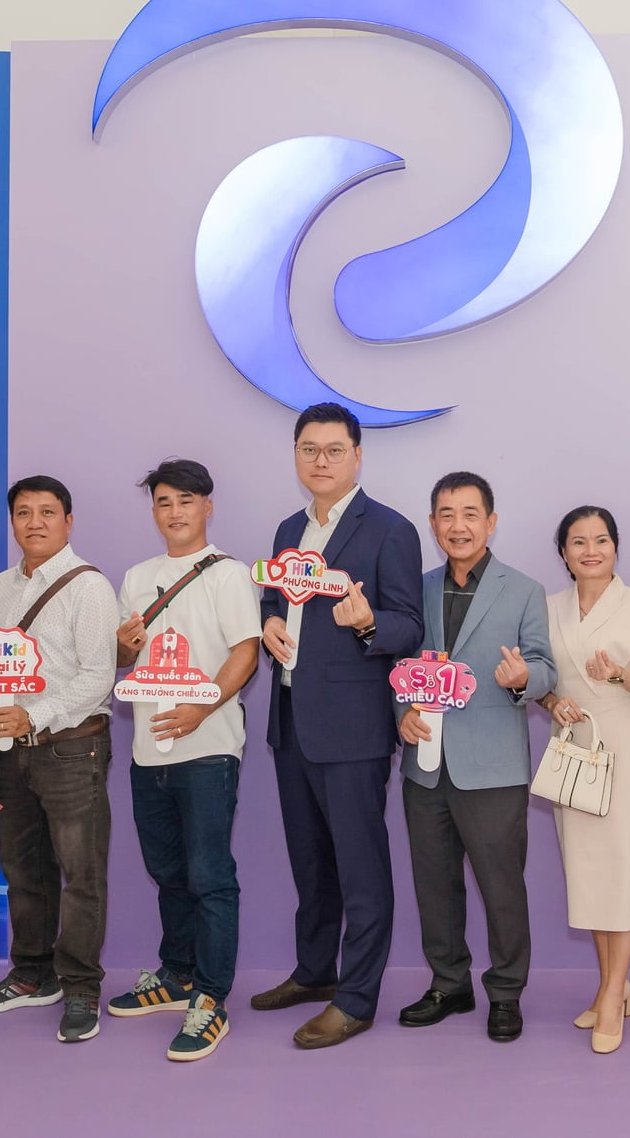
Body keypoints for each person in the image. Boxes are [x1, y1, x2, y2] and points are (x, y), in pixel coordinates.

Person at [250, 402, 423, 1049]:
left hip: (352, 728)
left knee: (360, 869)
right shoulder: (288, 529)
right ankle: (315, 971)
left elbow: (409, 623)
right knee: (311, 863)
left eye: (333, 450)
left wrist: (369, 623)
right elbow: (275, 601)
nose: (320, 461)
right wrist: (268, 620)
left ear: (357, 456)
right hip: (291, 720)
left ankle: (355, 999)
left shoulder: (390, 529)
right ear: (296, 455)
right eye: (309, 449)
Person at [106, 459, 262, 1063]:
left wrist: (202, 708)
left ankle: (211, 997)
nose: (175, 512)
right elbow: (126, 658)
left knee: (209, 874)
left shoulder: (228, 574)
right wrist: (122, 649)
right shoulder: (137, 576)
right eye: (164, 502)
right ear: (154, 511)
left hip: (208, 748)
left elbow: (245, 653)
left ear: (207, 507)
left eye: (186, 501)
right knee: (167, 869)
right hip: (149, 749)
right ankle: (177, 974)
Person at [394, 473, 557, 1044]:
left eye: (469, 514)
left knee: (501, 886)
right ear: (433, 524)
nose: (457, 526)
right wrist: (402, 713)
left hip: (493, 767)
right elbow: (398, 667)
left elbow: (545, 668)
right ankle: (449, 984)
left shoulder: (524, 590)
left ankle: (506, 992)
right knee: (434, 884)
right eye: (446, 514)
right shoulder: (415, 588)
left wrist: (524, 678)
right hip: (424, 765)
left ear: (491, 522)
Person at [0, 476, 117, 1045]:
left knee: (81, 874)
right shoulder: (3, 586)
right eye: (23, 512)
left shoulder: (90, 586)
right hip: (13, 753)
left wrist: (36, 714)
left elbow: (99, 676)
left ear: (68, 521)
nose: (34, 522)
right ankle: (32, 973)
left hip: (72, 747)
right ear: (12, 523)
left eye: (47, 512)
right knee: (23, 869)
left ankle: (80, 986)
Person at [540, 505, 630, 1054]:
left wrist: (618, 674)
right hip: (572, 745)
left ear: (615, 547)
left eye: (601, 540)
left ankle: (613, 994)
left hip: (622, 744)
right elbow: (541, 678)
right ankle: (612, 983)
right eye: (578, 542)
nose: (590, 551)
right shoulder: (547, 608)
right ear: (563, 553)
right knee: (589, 871)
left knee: (623, 868)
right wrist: (552, 701)